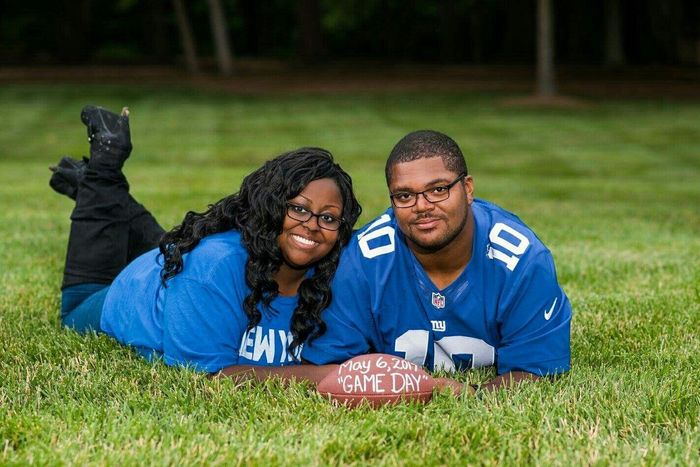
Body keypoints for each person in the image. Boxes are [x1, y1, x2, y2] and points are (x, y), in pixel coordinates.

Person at [51, 105, 362, 381]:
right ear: (271, 205)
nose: (312, 225)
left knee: (180, 250)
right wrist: (331, 377)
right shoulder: (212, 267)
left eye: (329, 218)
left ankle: (98, 191)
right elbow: (207, 378)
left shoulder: (337, 273)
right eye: (298, 208)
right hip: (138, 288)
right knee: (75, 306)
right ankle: (102, 171)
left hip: (185, 270)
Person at [302, 130, 572, 392]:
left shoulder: (521, 261)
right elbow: (332, 366)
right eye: (405, 195)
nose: (422, 206)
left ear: (467, 189)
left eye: (438, 189)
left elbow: (538, 372)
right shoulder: (361, 262)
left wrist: (474, 393)